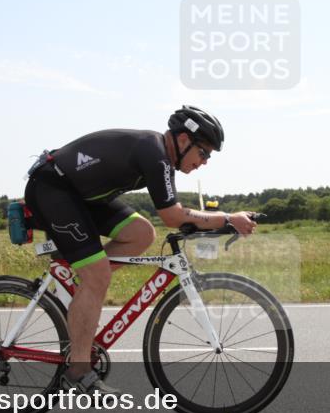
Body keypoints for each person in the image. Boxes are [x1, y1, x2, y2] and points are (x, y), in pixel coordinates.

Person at [24, 106, 257, 394]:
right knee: (97, 276)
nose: (205, 162)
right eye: (204, 152)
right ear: (183, 140)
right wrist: (226, 218)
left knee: (141, 233)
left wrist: (221, 221)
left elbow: (173, 215)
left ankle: (84, 287)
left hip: (80, 196)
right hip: (53, 189)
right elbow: (172, 216)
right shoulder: (154, 153)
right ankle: (79, 371)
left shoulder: (161, 157)